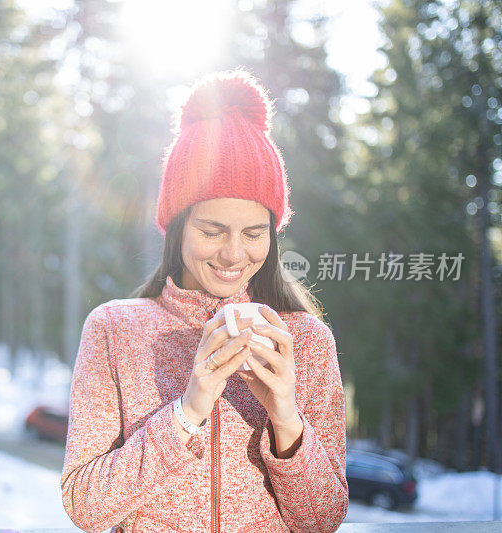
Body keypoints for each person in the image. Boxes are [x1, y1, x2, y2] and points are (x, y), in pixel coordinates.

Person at [61, 69, 348, 533]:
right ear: (176, 226)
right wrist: (187, 411)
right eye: (212, 231)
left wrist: (285, 417)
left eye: (254, 234)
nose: (234, 254)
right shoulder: (114, 329)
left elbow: (323, 520)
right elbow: (86, 507)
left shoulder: (307, 341)